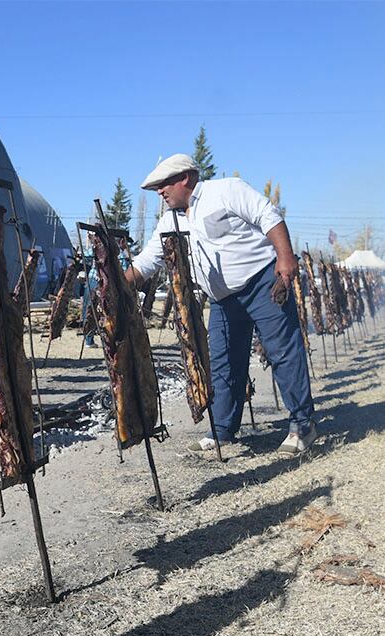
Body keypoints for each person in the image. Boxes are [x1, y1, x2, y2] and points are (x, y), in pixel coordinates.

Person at [124, 154, 316, 456]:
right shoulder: (170, 220)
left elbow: (269, 215)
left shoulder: (225, 190)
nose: (160, 192)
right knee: (223, 362)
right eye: (156, 188)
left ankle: (302, 425)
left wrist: (285, 257)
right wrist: (117, 285)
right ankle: (223, 431)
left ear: (185, 179)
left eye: (163, 185)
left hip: (262, 282)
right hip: (223, 299)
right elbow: (148, 261)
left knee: (282, 352)